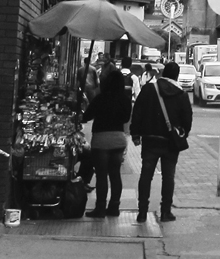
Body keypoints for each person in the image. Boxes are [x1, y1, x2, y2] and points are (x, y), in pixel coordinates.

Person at [131, 60, 193, 224]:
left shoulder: (149, 89)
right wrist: (182, 135)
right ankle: (166, 211)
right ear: (177, 75)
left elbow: (137, 111)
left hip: (150, 140)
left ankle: (142, 212)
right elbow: (187, 120)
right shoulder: (181, 94)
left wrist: (135, 134)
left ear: (164, 73)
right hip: (171, 143)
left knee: (146, 176)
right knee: (168, 176)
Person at [82, 69, 131, 217]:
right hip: (119, 139)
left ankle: (100, 208)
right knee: (115, 175)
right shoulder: (125, 99)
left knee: (102, 175)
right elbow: (125, 119)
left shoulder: (100, 98)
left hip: (101, 140)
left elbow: (86, 116)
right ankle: (114, 207)